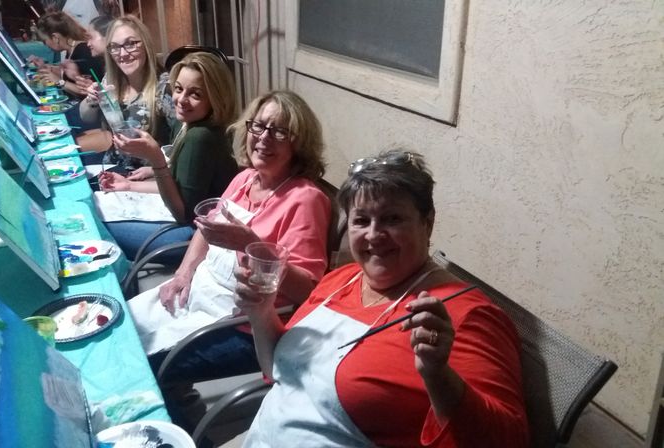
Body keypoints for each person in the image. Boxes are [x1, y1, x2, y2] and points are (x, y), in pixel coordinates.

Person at [234, 150, 529, 447]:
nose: (374, 235)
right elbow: (278, 371)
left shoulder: (465, 314)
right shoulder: (342, 278)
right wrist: (261, 312)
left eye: (392, 219)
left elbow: (509, 441)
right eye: (361, 220)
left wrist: (439, 376)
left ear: (427, 223)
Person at [128, 90, 331, 385]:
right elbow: (206, 230)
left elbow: (307, 291)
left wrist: (249, 243)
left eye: (279, 132)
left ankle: (179, 407)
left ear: (299, 143)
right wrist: (183, 273)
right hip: (198, 291)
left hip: (243, 323)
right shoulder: (244, 179)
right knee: (123, 331)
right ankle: (179, 395)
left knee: (146, 368)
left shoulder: (306, 199)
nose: (264, 138)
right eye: (258, 126)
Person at [97, 51, 239, 263]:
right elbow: (178, 186)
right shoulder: (189, 126)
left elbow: (183, 213)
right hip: (187, 226)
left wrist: (156, 159)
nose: (181, 100)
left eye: (195, 94)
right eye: (179, 89)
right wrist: (128, 185)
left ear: (215, 99)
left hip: (194, 238)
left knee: (99, 227)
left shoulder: (200, 137)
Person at [77, 15, 175, 170]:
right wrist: (91, 100)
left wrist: (157, 169)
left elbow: (183, 146)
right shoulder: (111, 80)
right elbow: (86, 118)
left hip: (147, 175)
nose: (122, 54)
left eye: (131, 44)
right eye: (115, 47)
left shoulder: (165, 88)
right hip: (113, 166)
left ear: (146, 45)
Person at [30, 11, 103, 98]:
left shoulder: (84, 52)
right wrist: (47, 69)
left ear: (55, 37)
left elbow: (92, 92)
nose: (45, 45)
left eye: (44, 41)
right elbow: (75, 80)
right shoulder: (71, 50)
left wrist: (59, 81)